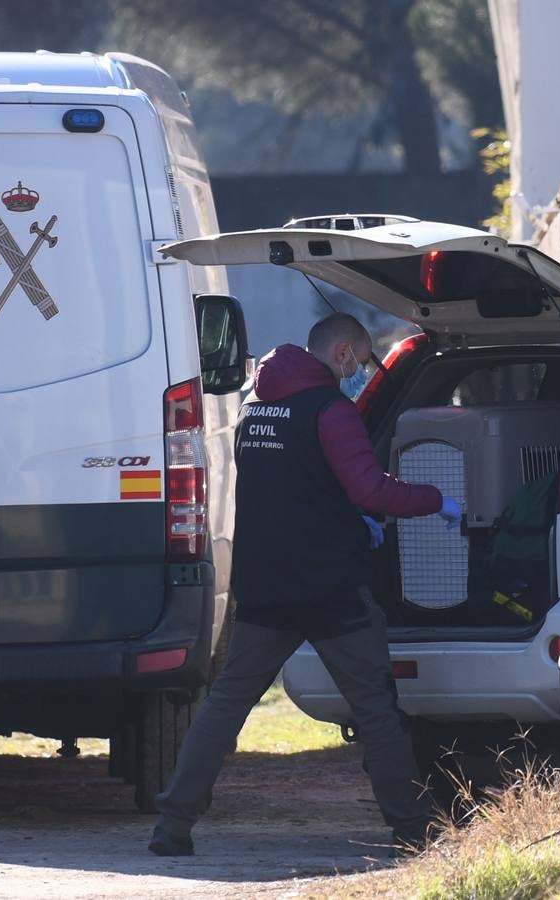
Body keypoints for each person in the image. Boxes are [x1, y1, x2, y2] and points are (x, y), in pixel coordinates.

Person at [148, 312, 462, 857]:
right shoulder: (331, 410)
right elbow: (371, 490)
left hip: (265, 585)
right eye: (361, 361)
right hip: (332, 589)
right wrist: (436, 500)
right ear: (341, 353)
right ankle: (412, 829)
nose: (360, 371)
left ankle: (172, 825)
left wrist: (345, 511)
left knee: (225, 705)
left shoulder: (255, 407)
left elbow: (295, 485)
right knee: (374, 707)